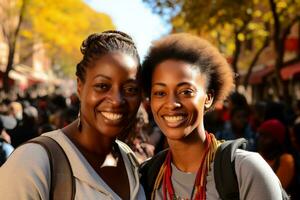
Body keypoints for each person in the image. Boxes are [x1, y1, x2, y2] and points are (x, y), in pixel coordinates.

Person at [0, 30, 146, 200]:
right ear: (80, 86)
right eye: (102, 86)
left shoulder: (130, 160)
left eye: (130, 89)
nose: (116, 100)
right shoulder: (32, 163)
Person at [139, 33, 284, 200]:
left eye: (186, 91)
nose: (172, 103)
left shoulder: (245, 170)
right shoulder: (147, 177)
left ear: (208, 98)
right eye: (160, 93)